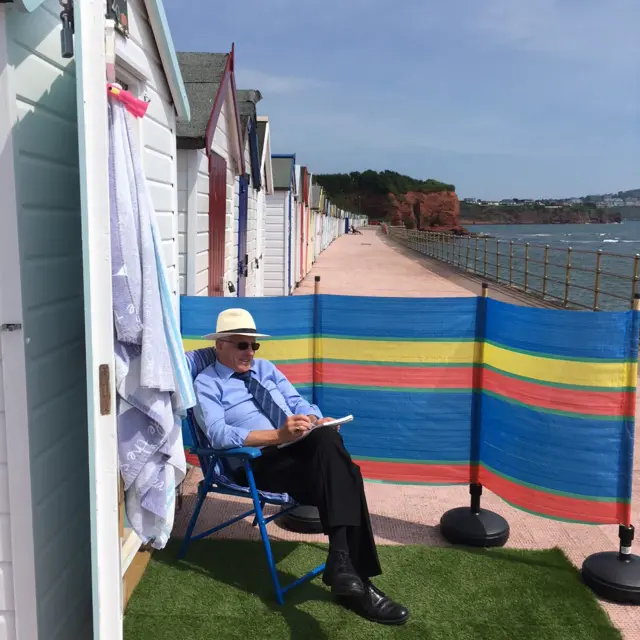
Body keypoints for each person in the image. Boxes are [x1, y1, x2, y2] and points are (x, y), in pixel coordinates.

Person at [193, 308, 409, 626]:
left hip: (301, 451)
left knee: (328, 443)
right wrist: (278, 434)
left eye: (254, 346)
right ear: (221, 345)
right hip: (256, 463)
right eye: (242, 345)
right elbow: (219, 434)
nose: (250, 352)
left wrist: (314, 418)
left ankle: (343, 563)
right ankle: (354, 579)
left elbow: (297, 402)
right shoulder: (207, 383)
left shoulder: (265, 370)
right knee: (347, 474)